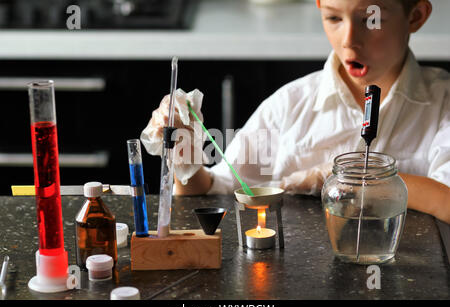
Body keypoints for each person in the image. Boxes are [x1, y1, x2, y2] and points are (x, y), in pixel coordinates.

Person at [141, 0, 450, 224]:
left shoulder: (443, 104)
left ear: (416, 16)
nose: (349, 40)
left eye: (371, 19)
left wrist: (347, 180)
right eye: (333, 18)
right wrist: (184, 159)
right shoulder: (290, 104)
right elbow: (218, 192)